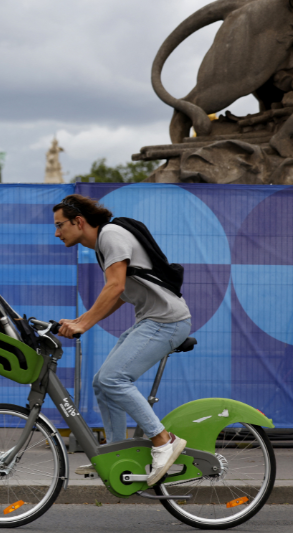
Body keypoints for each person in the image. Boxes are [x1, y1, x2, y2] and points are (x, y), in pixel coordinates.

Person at [52, 194, 192, 487]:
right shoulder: (104, 246)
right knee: (102, 383)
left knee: (114, 379)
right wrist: (81, 321)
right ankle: (117, 454)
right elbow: (120, 293)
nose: (56, 232)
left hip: (166, 321)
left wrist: (83, 324)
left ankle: (164, 441)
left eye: (60, 225)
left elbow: (115, 286)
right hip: (153, 320)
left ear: (79, 222)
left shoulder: (111, 236)